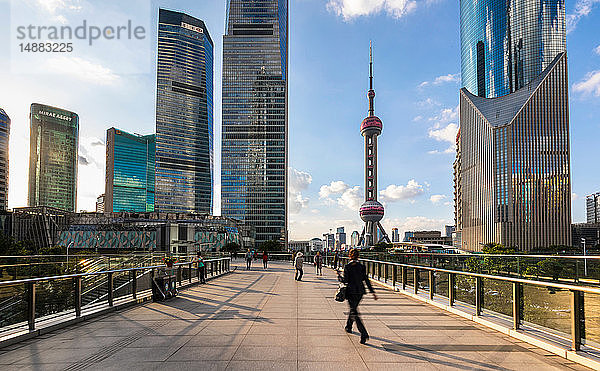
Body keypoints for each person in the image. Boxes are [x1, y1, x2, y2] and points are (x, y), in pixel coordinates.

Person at [338, 248, 377, 344]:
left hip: (351, 292)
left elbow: (345, 280)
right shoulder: (361, 266)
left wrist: (339, 276)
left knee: (354, 312)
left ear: (349, 256)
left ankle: (364, 333)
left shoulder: (347, 266)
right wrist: (372, 292)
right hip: (360, 292)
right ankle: (348, 326)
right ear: (358, 256)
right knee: (353, 309)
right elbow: (366, 280)